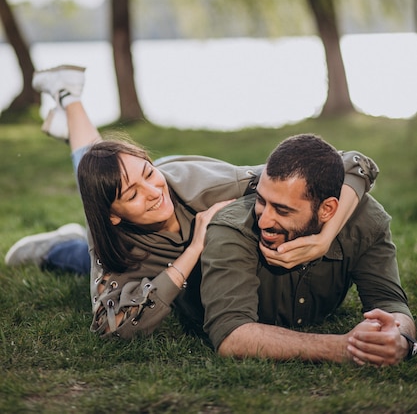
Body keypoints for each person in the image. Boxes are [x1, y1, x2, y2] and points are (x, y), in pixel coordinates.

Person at [5, 65, 379, 340]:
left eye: (149, 175)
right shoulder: (109, 237)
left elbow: (354, 163)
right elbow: (110, 324)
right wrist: (195, 248)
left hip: (172, 182)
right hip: (125, 246)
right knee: (92, 192)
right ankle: (56, 240)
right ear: (114, 217)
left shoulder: (215, 188)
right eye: (134, 195)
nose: (153, 193)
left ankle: (69, 102)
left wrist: (325, 237)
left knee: (102, 169)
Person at [200, 133, 416, 366]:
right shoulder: (234, 228)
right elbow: (231, 334)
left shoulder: (366, 224)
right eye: (261, 201)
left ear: (327, 209)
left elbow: (390, 302)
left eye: (282, 210)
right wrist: (343, 348)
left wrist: (400, 339)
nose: (263, 221)